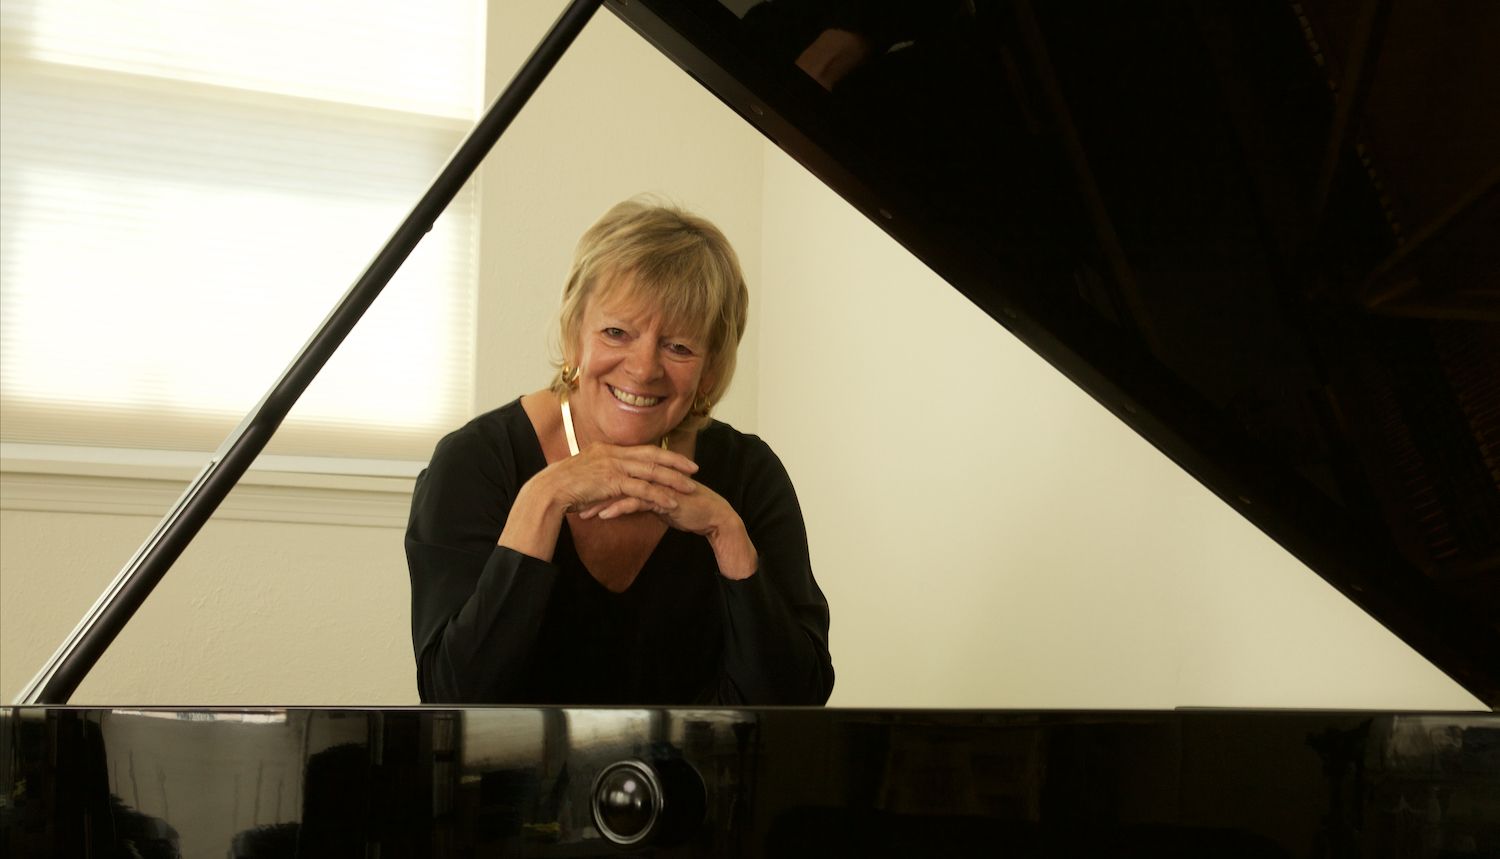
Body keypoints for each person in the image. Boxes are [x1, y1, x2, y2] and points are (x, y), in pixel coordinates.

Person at [405, 199, 834, 706]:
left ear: (711, 368)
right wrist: (544, 498)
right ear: (573, 334)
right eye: (616, 332)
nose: (643, 367)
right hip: (515, 783)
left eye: (678, 347)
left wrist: (727, 532)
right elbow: (453, 700)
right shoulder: (473, 462)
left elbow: (797, 704)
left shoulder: (749, 474)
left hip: (698, 783)